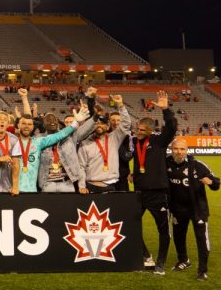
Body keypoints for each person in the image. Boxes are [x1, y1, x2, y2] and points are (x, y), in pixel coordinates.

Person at [131, 91, 177, 275]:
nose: (139, 132)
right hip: (139, 193)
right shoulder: (134, 142)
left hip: (158, 193)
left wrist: (166, 110)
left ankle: (160, 263)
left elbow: (172, 129)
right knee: (130, 225)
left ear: (150, 131)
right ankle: (146, 257)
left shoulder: (159, 141)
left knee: (163, 230)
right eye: (138, 129)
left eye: (143, 130)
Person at [167, 138, 219, 281]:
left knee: (202, 240)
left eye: (182, 149)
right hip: (178, 209)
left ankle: (202, 270)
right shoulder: (166, 163)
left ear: (187, 150)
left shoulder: (197, 165)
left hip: (198, 210)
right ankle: (184, 261)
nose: (179, 152)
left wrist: (211, 182)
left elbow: (216, 182)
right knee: (178, 237)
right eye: (176, 149)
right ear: (172, 149)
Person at [77, 95, 130, 195]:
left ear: (108, 126)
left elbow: (126, 124)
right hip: (91, 186)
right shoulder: (85, 143)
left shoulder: (114, 138)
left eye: (103, 124)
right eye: (97, 123)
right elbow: (81, 167)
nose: (99, 126)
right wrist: (82, 185)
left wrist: (121, 105)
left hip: (112, 186)